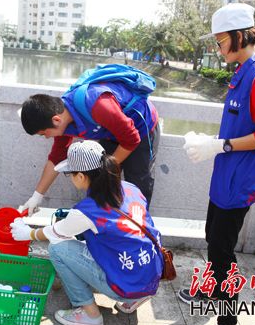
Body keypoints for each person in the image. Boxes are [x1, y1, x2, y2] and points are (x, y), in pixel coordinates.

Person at [179, 3, 255, 325]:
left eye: (220, 40)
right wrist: (213, 145)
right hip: (229, 170)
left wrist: (220, 145)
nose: (217, 47)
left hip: (241, 177)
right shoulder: (243, 69)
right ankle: (212, 289)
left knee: (222, 249)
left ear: (240, 36)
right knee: (214, 235)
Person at [10, 140, 163, 325]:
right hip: (151, 275)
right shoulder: (131, 188)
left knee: (57, 249)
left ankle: (90, 314)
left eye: (70, 174)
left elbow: (55, 233)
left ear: (81, 176)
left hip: (126, 284)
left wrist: (28, 233)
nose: (71, 177)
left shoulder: (88, 210)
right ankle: (135, 298)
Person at [19, 65, 160, 214]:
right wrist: (36, 197)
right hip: (111, 131)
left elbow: (131, 138)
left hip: (140, 127)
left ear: (55, 120)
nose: (47, 137)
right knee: (101, 185)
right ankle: (105, 226)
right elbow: (56, 158)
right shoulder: (63, 121)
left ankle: (137, 228)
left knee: (137, 182)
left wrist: (106, 168)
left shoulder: (98, 105)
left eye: (44, 133)